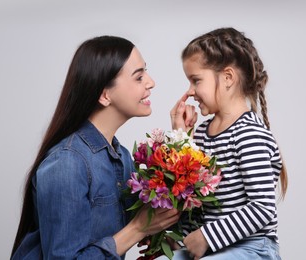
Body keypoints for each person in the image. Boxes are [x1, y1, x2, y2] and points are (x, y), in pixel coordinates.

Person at [11, 35, 180, 259]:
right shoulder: (67, 163)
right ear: (105, 94)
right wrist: (137, 229)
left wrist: (181, 136)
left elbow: (155, 217)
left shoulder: (121, 156)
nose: (151, 82)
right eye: (139, 77)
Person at [167, 27, 288, 259]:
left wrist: (205, 237)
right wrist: (180, 136)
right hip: (216, 249)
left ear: (228, 78)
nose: (190, 92)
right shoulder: (201, 133)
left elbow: (262, 207)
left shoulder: (249, 134)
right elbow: (192, 194)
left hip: (253, 248)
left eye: (196, 80)